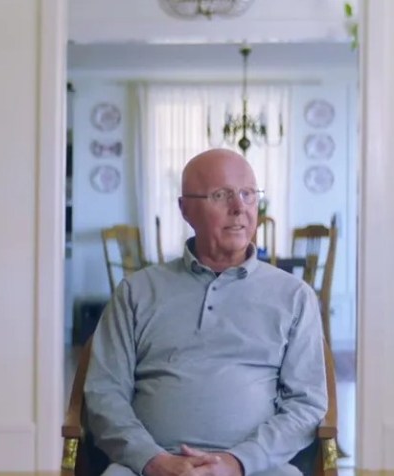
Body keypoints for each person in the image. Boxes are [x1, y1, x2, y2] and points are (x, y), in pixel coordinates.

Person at [84, 148, 328, 476]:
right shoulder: (136, 292)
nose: (239, 207)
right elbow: (104, 393)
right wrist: (154, 461)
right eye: (221, 195)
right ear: (185, 209)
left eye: (248, 194)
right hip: (149, 466)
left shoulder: (295, 296)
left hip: (257, 467)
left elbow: (306, 403)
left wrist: (236, 462)